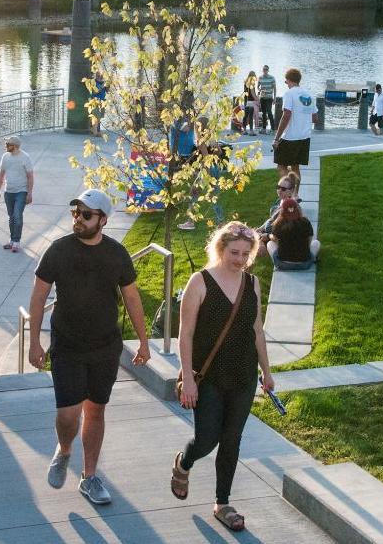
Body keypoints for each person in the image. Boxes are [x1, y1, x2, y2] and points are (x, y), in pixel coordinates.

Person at [27, 190, 150, 506]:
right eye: (75, 213)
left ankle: (89, 477)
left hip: (105, 346)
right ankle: (65, 450)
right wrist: (35, 342)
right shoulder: (58, 251)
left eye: (86, 214)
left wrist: (145, 342)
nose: (78, 219)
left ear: (103, 220)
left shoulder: (117, 254)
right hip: (67, 345)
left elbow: (132, 298)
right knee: (68, 414)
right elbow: (39, 297)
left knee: (96, 409)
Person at [171, 222, 274, 533]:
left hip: (243, 374)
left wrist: (267, 372)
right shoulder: (200, 282)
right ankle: (183, 463)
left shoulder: (252, 283)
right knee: (207, 439)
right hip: (210, 375)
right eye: (234, 252)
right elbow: (185, 335)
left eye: (245, 254)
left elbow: (256, 330)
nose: (239, 259)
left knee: (232, 439)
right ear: (220, 249)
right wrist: (188, 379)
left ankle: (222, 502)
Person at [272, 68, 318, 178]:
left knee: (281, 166)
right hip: (305, 137)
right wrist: (302, 118)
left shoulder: (289, 94)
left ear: (289, 80)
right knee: (295, 167)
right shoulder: (309, 95)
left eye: (286, 81)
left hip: (290, 137)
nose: (286, 83)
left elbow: (286, 115)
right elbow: (315, 119)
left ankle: (287, 191)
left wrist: (276, 138)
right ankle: (295, 194)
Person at [0, 135, 34, 252]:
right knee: (11, 217)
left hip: (21, 191)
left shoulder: (25, 157)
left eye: (8, 144)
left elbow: (30, 177)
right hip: (8, 191)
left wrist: (29, 193)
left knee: (17, 216)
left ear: (15, 146)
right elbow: (1, 175)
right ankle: (12, 240)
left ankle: (16, 241)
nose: (6, 146)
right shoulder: (5, 156)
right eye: (6, 144)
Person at [266, 198, 320, 270]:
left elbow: (276, 241)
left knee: (270, 243)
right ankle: (312, 259)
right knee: (316, 243)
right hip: (304, 264)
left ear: (282, 210)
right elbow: (309, 242)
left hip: (282, 264)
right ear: (298, 209)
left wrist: (268, 235)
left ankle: (277, 264)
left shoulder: (278, 224)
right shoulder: (305, 222)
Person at [256, 172, 299, 255]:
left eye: (283, 189)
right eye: (278, 187)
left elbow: (286, 229)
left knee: (255, 247)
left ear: (291, 191)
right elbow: (271, 218)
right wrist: (261, 228)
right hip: (269, 232)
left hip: (277, 237)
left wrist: (266, 235)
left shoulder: (290, 207)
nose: (279, 190)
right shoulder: (279, 201)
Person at [257, 65, 277, 133]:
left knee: (269, 112)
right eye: (264, 69)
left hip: (269, 98)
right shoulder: (260, 77)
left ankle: (273, 129)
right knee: (263, 113)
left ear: (268, 70)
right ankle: (264, 128)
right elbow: (258, 87)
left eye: (266, 69)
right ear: (262, 70)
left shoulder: (272, 78)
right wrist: (260, 90)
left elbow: (274, 88)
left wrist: (274, 98)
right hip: (262, 98)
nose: (265, 70)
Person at [241, 71, 259, 136]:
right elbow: (252, 93)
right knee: (251, 116)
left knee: (245, 116)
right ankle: (251, 131)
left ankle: (244, 130)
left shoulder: (246, 82)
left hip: (246, 100)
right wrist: (257, 99)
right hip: (250, 101)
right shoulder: (252, 83)